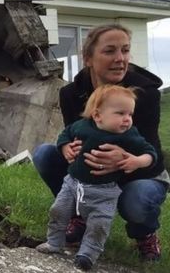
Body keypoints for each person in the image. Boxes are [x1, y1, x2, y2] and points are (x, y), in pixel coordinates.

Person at [33, 24, 169, 261]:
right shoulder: (71, 94)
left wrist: (124, 160)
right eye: (109, 51)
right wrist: (67, 148)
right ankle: (79, 215)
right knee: (44, 154)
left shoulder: (146, 94)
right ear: (88, 58)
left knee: (137, 200)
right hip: (91, 170)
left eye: (125, 50)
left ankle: (144, 234)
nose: (120, 59)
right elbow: (72, 134)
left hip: (140, 172)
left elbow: (151, 153)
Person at [36, 85, 157, 270]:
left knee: (99, 224)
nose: (127, 119)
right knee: (58, 211)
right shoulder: (82, 126)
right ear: (97, 115)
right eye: (120, 113)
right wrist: (65, 147)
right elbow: (64, 135)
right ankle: (54, 242)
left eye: (130, 114)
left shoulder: (129, 135)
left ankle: (87, 254)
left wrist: (136, 161)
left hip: (105, 192)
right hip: (73, 184)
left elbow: (150, 153)